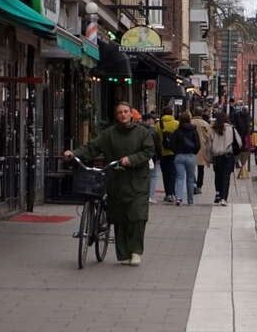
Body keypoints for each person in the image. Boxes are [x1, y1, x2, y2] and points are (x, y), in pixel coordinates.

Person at [64, 101, 154, 266]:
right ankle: (123, 254)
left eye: (126, 111)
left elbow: (148, 151)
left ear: (131, 114)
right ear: (116, 115)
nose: (123, 115)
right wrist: (74, 154)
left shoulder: (142, 133)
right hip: (116, 180)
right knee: (119, 217)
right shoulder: (109, 134)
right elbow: (92, 147)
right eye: (120, 112)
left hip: (137, 182)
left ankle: (135, 251)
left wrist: (131, 159)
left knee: (137, 216)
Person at [208, 111, 242, 206]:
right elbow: (239, 143)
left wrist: (209, 157)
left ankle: (218, 193)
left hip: (217, 156)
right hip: (228, 156)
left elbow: (209, 145)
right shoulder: (231, 128)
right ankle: (224, 198)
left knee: (218, 175)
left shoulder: (213, 129)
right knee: (226, 177)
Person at [172, 111, 201, 205]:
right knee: (190, 178)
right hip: (190, 156)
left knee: (180, 178)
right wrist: (194, 152)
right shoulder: (193, 130)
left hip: (179, 156)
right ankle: (190, 200)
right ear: (189, 119)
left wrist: (176, 152)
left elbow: (172, 144)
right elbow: (198, 145)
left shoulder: (177, 130)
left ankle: (179, 198)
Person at [155, 107, 179, 203]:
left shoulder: (158, 124)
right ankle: (172, 193)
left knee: (165, 173)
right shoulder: (176, 124)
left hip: (162, 152)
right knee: (173, 173)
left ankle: (167, 193)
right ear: (171, 113)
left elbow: (155, 139)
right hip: (174, 152)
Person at [141, 113, 162, 203]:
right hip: (151, 156)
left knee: (142, 176)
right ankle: (150, 196)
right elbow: (157, 145)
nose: (153, 121)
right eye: (152, 119)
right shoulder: (152, 131)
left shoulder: (137, 129)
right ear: (148, 120)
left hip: (140, 156)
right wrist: (159, 156)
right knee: (153, 176)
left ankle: (142, 196)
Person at [191, 108, 212, 194]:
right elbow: (209, 137)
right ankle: (199, 186)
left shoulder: (190, 122)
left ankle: (193, 183)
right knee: (201, 168)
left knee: (191, 168)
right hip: (202, 148)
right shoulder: (205, 124)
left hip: (191, 147)